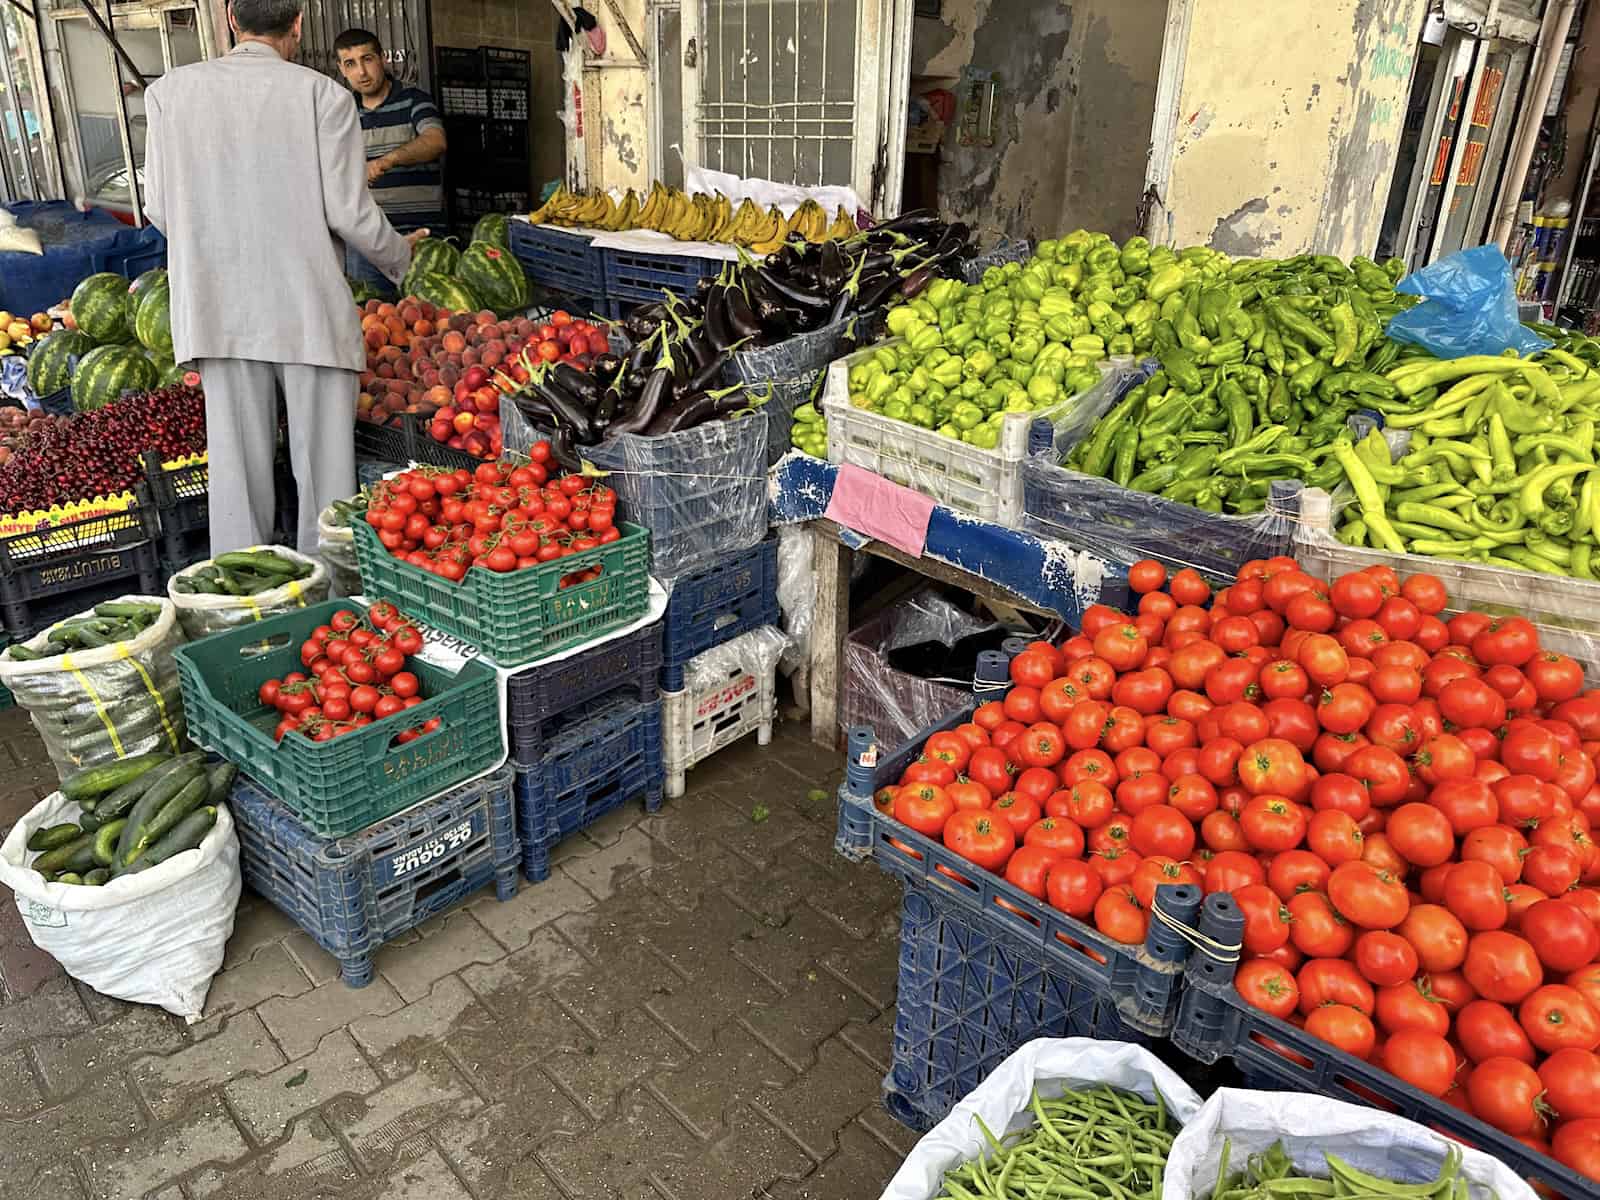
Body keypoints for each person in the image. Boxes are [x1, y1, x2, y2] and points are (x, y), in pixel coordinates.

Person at [143, 0, 422, 555]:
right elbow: (349, 212)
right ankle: (328, 598)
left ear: (229, 19)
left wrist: (213, 249)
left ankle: (241, 603)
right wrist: (404, 261)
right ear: (297, 26)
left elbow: (159, 207)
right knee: (325, 476)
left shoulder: (168, 94)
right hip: (305, 305)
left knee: (236, 472)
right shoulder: (323, 96)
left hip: (216, 306)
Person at [335, 28, 446, 295]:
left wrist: (386, 161)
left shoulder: (414, 101)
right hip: (368, 247)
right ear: (341, 69)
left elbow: (436, 141)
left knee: (430, 327)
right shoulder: (341, 113)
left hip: (422, 240)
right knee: (378, 325)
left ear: (383, 58)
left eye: (368, 59)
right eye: (351, 64)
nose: (361, 72)